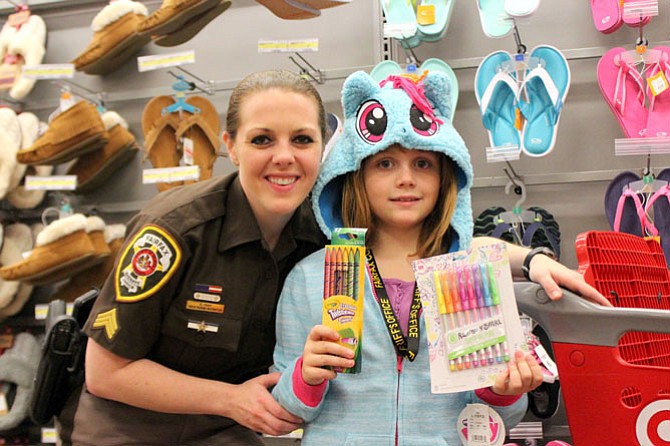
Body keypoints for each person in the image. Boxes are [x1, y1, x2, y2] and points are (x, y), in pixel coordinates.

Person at [271, 70, 610, 445]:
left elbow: (497, 416)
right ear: (356, 174)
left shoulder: (468, 278)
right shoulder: (310, 278)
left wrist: (505, 390)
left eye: (423, 164)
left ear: (446, 176)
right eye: (385, 163)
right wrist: (306, 375)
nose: (406, 179)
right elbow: (287, 408)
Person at [68, 69, 328, 446]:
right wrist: (232, 399)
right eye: (262, 140)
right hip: (129, 431)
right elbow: (105, 374)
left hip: (225, 432)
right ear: (231, 146)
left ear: (323, 147)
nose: (284, 156)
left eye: (302, 139)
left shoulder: (324, 240)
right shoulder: (172, 231)